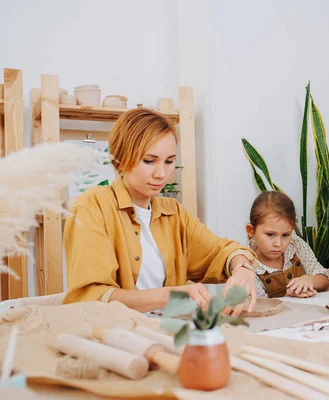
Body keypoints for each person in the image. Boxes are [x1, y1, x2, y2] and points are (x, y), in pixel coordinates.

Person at [63, 108, 258, 315]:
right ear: (119, 160)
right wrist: (170, 296)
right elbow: (93, 297)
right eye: (149, 161)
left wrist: (242, 270)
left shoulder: (174, 213)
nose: (161, 174)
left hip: (166, 332)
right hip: (114, 337)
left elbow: (222, 251)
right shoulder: (92, 207)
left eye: (169, 161)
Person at [246, 191, 329, 298]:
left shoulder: (296, 245)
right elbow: (262, 309)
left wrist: (310, 280)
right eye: (270, 234)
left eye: (285, 235)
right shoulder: (247, 265)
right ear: (251, 230)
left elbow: (325, 280)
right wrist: (289, 297)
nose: (278, 243)